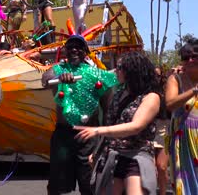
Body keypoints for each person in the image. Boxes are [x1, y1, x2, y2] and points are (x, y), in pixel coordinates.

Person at [75, 52, 161, 195]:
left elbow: (136, 126)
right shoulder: (119, 94)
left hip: (136, 156)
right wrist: (97, 151)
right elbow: (113, 123)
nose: (116, 70)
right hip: (113, 155)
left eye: (120, 67)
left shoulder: (151, 97)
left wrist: (98, 131)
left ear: (132, 71)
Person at [41, 35, 117, 195]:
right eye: (70, 47)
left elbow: (108, 108)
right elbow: (45, 79)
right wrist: (59, 79)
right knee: (56, 185)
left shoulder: (97, 74)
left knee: (89, 182)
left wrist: (107, 138)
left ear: (85, 52)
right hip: (63, 134)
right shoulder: (58, 69)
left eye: (79, 47)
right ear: (65, 51)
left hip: (89, 136)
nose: (74, 49)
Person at [165, 38, 198, 195]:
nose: (190, 60)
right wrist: (194, 91)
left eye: (194, 56)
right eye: (186, 57)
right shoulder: (175, 78)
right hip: (183, 139)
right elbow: (170, 104)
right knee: (186, 185)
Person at [153, 66, 170, 195]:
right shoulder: (145, 91)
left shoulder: (167, 91)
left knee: (162, 167)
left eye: (158, 76)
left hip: (165, 129)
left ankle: (163, 193)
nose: (155, 78)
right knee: (151, 168)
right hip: (148, 131)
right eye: (153, 75)